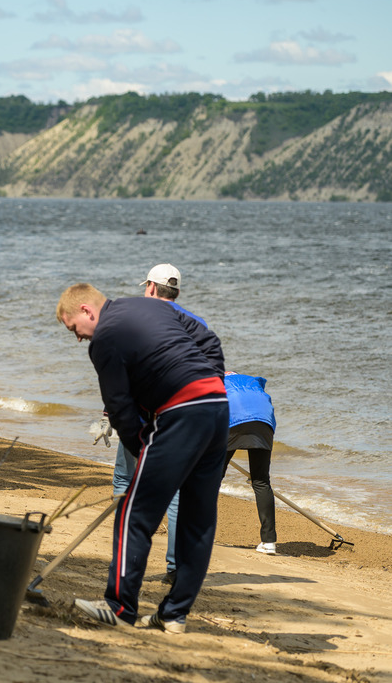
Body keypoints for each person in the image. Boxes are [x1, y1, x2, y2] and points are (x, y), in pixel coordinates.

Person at [57, 283, 228, 634]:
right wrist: (211, 382)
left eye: (74, 328)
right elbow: (210, 342)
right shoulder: (154, 307)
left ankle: (120, 607)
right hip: (217, 407)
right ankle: (174, 615)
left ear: (87, 311)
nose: (78, 338)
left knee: (134, 511)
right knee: (198, 518)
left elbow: (119, 408)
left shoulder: (104, 337)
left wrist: (141, 446)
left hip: (181, 412)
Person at [109, 263, 208, 584]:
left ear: (151, 288)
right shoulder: (197, 323)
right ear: (176, 291)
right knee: (178, 494)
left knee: (125, 481)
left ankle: (124, 557)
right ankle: (176, 567)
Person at [223, 371, 278, 554]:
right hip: (264, 422)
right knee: (261, 481)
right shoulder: (252, 381)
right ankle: (269, 542)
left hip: (233, 420)